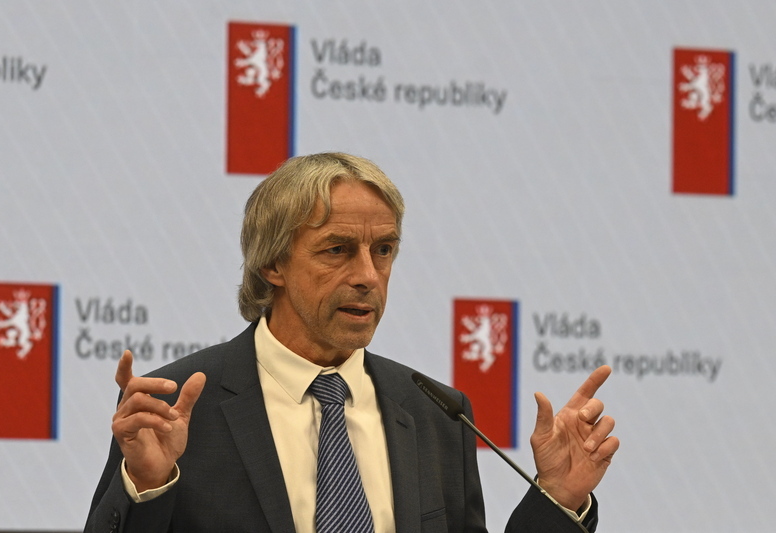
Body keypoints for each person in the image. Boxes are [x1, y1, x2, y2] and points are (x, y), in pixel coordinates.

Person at [84, 152, 618, 532]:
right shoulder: (176, 406)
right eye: (337, 249)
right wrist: (146, 485)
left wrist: (557, 499)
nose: (367, 275)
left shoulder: (436, 414)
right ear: (272, 263)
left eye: (383, 250)